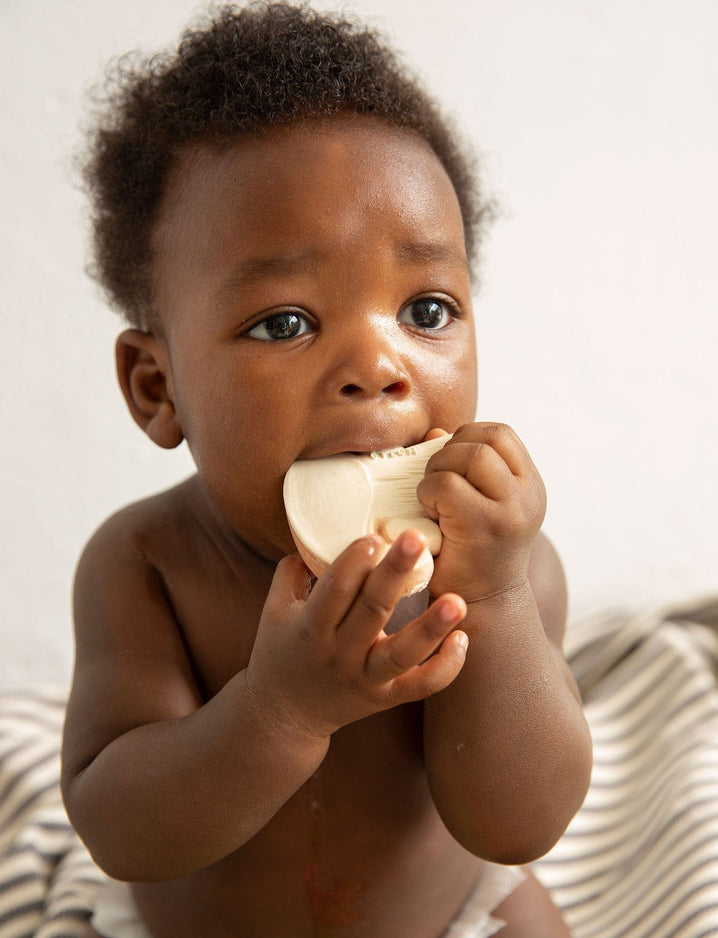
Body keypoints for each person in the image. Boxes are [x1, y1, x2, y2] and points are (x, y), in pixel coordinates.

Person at [61, 3, 593, 936]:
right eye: (285, 323)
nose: (378, 366)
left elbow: (518, 826)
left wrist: (499, 601)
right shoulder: (148, 565)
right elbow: (121, 830)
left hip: (444, 917)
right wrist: (280, 709)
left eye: (426, 310)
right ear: (159, 388)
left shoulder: (504, 565)